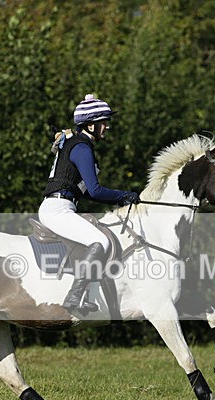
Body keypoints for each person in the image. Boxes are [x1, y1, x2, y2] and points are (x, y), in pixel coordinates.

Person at [39, 94, 140, 313]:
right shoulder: (82, 148)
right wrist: (126, 195)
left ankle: (82, 294)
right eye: (103, 122)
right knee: (100, 241)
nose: (107, 127)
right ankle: (73, 298)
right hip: (58, 208)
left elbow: (87, 191)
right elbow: (95, 191)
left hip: (61, 206)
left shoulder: (77, 144)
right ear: (91, 125)